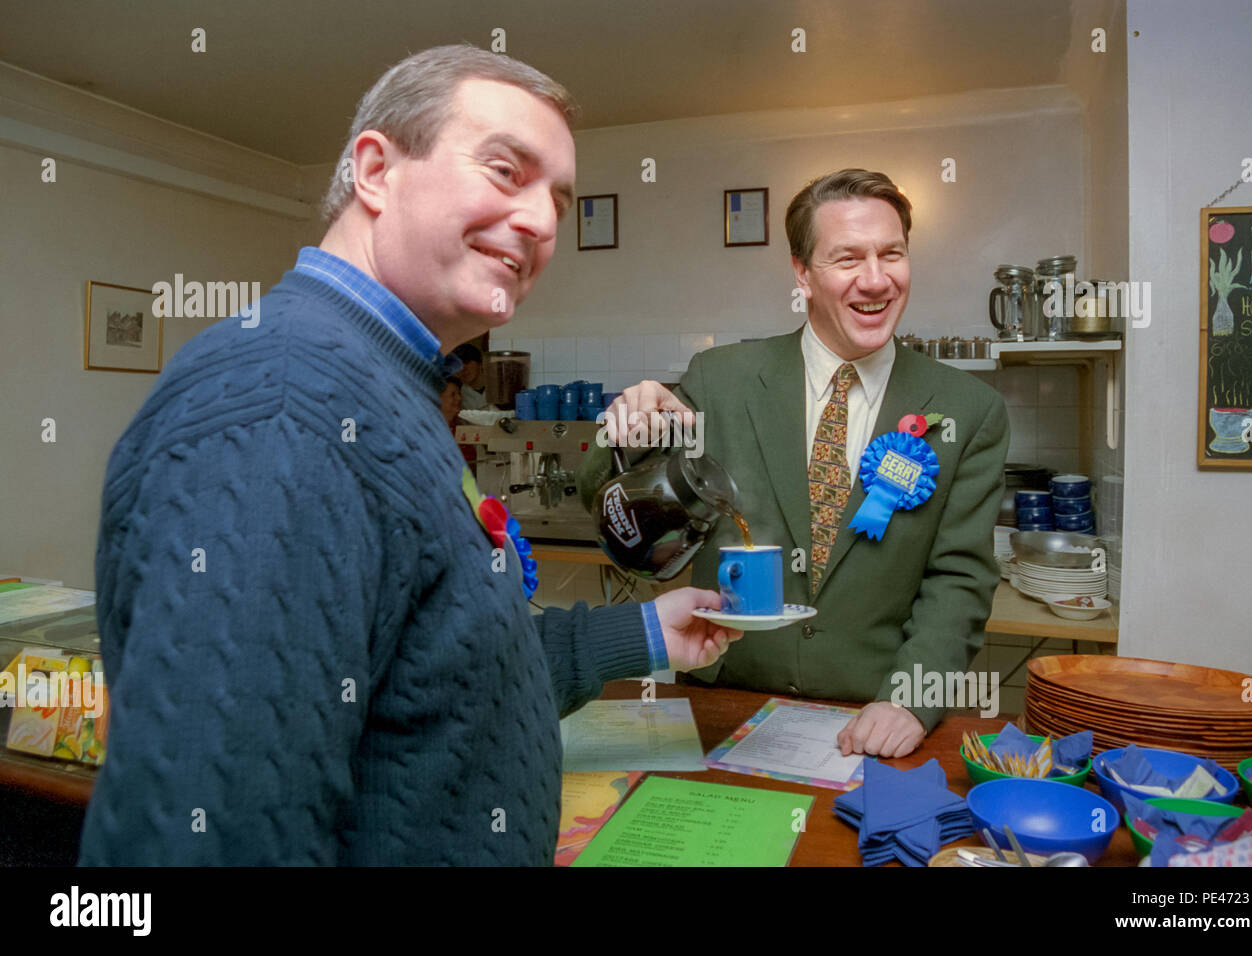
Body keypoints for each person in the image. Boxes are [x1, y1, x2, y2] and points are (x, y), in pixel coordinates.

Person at [80, 45, 738, 866]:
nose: (539, 221)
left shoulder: (384, 387)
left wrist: (642, 632)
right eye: (505, 170)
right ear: (375, 171)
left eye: (558, 202)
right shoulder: (284, 402)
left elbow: (446, 668)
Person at [579, 169, 1008, 759]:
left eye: (892, 254)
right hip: (724, 706)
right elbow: (604, 498)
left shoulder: (969, 410)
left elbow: (959, 580)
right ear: (801, 273)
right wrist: (620, 431)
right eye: (848, 258)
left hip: (872, 719)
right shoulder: (720, 380)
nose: (877, 280)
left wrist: (909, 700)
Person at [451, 343, 489, 409]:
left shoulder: (498, 387)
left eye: (467, 362)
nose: (463, 369)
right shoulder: (458, 396)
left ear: (480, 363)